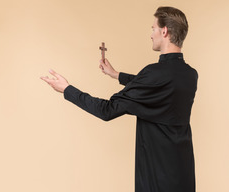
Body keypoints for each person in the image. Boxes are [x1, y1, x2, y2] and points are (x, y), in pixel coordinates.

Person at [41, 6, 198, 192]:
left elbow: (107, 110)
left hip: (157, 177)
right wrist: (116, 75)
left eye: (153, 28)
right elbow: (158, 85)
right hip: (183, 173)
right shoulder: (190, 75)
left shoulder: (153, 74)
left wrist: (67, 89)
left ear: (164, 31)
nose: (151, 34)